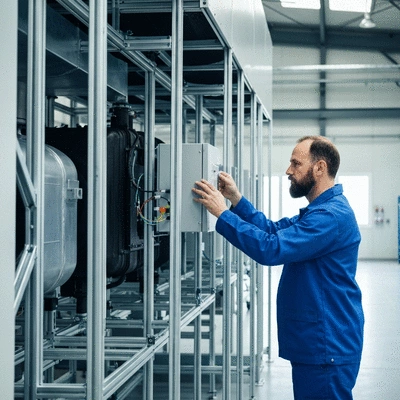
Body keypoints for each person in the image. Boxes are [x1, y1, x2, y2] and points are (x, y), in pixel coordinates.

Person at [192, 135, 364, 400]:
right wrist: (236, 200)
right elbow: (273, 230)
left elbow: (272, 248)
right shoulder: (320, 211)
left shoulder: (330, 216)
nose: (288, 171)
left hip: (326, 342)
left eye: (296, 163)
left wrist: (222, 214)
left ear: (319, 168)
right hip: (318, 341)